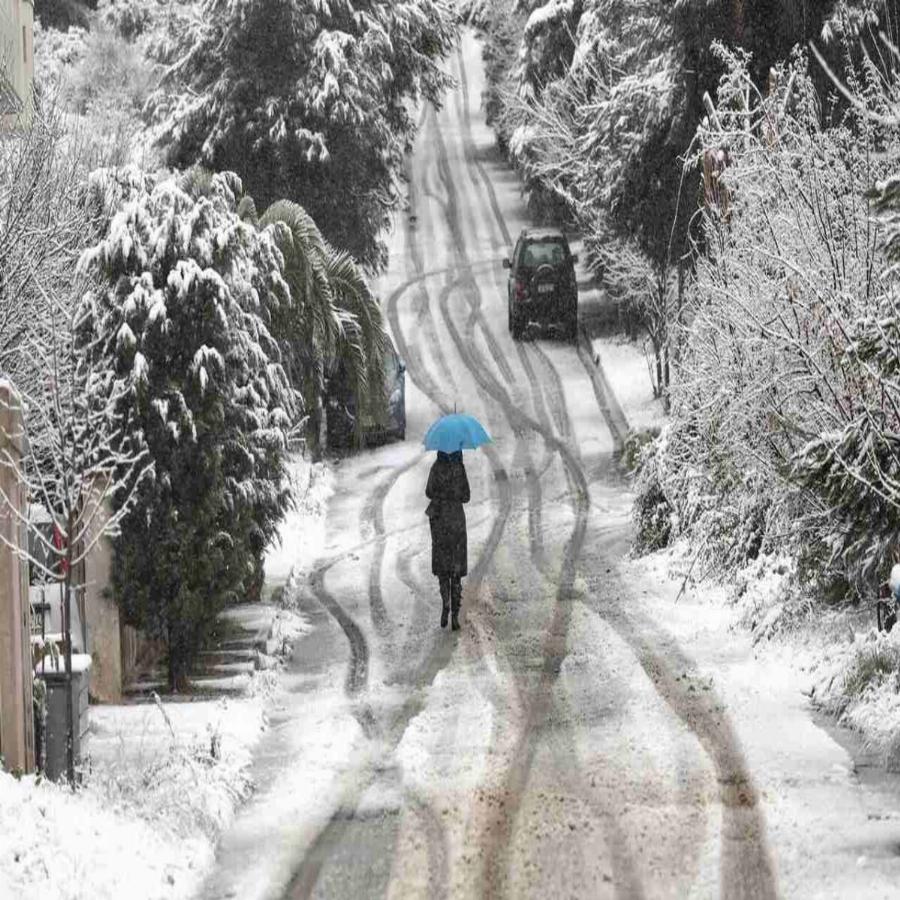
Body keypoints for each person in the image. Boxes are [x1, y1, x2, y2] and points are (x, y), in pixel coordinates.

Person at [425, 449, 470, 631]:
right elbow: (466, 496)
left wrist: (441, 495)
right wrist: (455, 494)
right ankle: (455, 615)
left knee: (443, 566)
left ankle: (445, 602)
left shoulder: (436, 467)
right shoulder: (459, 468)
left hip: (440, 522)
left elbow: (428, 492)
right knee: (456, 568)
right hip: (456, 521)